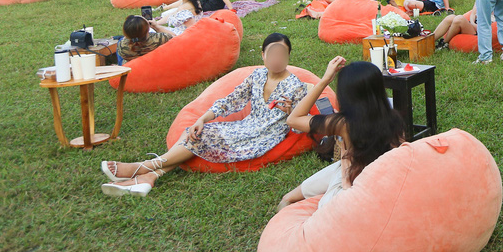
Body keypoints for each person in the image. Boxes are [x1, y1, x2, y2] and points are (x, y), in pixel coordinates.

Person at [99, 34, 316, 197]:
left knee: (205, 136)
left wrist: (290, 112)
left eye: (282, 54)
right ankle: (149, 177)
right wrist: (203, 118)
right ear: (263, 55)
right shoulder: (257, 75)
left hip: (265, 136)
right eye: (272, 53)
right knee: (198, 130)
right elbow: (232, 100)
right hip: (245, 126)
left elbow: (298, 128)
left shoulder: (295, 85)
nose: (277, 59)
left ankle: (144, 167)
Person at [276, 59, 404, 211]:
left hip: (351, 181)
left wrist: (324, 80)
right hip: (367, 172)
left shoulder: (343, 123)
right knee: (290, 197)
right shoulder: (394, 117)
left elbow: (293, 119)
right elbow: (399, 156)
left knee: (291, 201)